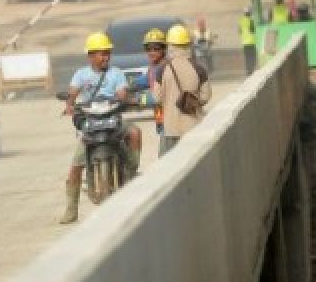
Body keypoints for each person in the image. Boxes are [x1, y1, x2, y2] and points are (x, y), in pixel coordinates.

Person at [58, 32, 142, 225]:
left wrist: (127, 99)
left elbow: (121, 92)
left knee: (135, 133)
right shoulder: (81, 74)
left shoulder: (116, 73)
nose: (105, 57)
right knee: (75, 166)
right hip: (90, 123)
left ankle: (131, 173)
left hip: (113, 120)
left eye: (107, 53)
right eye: (101, 53)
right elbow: (72, 93)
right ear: (90, 56)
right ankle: (71, 209)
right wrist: (69, 105)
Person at [152, 24, 212, 157]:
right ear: (188, 45)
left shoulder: (161, 69)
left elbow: (156, 98)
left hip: (171, 129)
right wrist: (192, 100)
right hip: (194, 127)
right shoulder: (199, 68)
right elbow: (206, 97)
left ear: (170, 46)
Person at [238, 7, 257, 75]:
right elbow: (253, 30)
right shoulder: (251, 21)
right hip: (252, 42)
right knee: (253, 57)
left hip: (245, 43)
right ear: (250, 13)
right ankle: (252, 70)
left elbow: (240, 31)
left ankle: (248, 71)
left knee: (247, 58)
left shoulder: (241, 21)